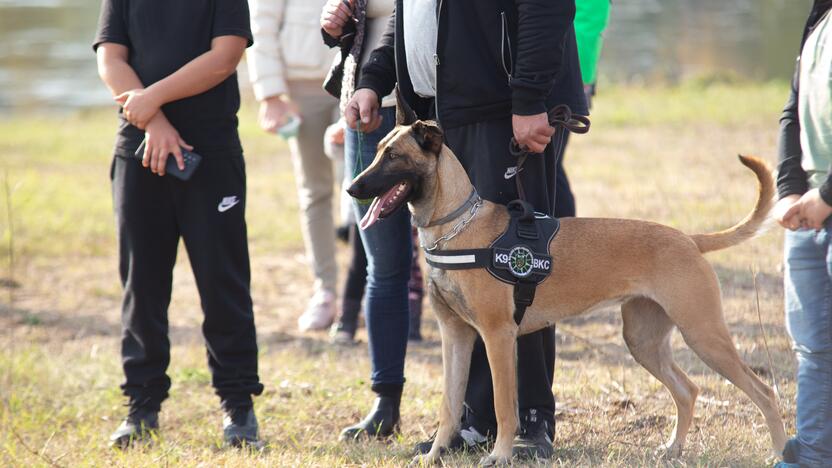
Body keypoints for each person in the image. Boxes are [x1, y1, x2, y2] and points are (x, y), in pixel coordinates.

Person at [344, 0, 587, 459]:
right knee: (466, 280)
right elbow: (411, 16)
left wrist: (530, 98)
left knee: (518, 266)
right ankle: (476, 421)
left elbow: (545, 7)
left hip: (505, 111)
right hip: (444, 112)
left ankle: (531, 420)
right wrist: (375, 79)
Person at [93, 0, 263, 449]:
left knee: (222, 281)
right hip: (139, 151)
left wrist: (153, 100)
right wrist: (155, 122)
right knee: (142, 284)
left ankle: (238, 405)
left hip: (212, 152)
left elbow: (225, 58)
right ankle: (142, 407)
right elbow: (110, 58)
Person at [320, 0, 415, 439]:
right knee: (386, 264)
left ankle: (475, 411)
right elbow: (352, 26)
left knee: (466, 256)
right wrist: (333, 22)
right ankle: (385, 403)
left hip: (427, 105)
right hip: (366, 105)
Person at [247, 0, 341, 332]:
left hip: (361, 75)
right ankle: (326, 291)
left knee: (361, 186)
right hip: (303, 86)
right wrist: (270, 94)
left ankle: (369, 290)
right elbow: (261, 25)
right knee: (314, 191)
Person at [773, 1, 832, 466]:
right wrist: (789, 188)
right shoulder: (820, 13)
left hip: (826, 201)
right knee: (813, 346)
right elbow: (794, 106)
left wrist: (827, 195)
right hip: (811, 209)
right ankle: (811, 455)